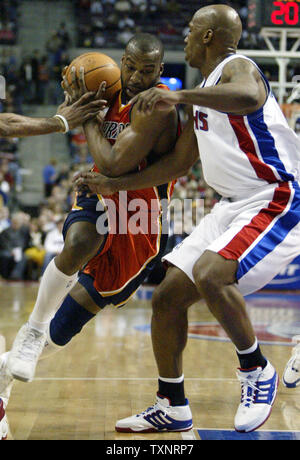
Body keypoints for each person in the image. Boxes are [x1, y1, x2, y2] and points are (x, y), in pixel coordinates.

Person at [76, 4, 300, 433]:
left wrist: (176, 95)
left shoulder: (238, 68)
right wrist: (113, 187)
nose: (184, 36)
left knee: (212, 273)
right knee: (168, 296)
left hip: (275, 196)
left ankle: (256, 370)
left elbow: (251, 97)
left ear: (210, 37)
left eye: (191, 30)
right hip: (233, 204)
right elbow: (179, 166)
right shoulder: (206, 91)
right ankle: (172, 403)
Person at [0, 34, 192, 431]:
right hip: (101, 198)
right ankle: (30, 331)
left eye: (149, 70)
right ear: (122, 61)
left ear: (161, 71)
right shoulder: (110, 88)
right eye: (132, 67)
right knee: (80, 241)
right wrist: (74, 101)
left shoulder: (156, 106)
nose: (138, 77)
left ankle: (9, 368)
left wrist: (85, 116)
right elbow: (67, 111)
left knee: (64, 330)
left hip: (139, 220)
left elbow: (113, 163)